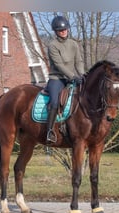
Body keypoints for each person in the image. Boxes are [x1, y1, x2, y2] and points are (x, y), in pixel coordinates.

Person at [45, 15, 84, 143]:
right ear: (56, 32)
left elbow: (78, 61)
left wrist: (83, 76)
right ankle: (49, 131)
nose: (64, 31)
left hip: (70, 79)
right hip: (57, 79)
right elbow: (59, 65)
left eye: (65, 29)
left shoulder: (73, 44)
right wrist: (73, 76)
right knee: (55, 102)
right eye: (61, 30)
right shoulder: (53, 45)